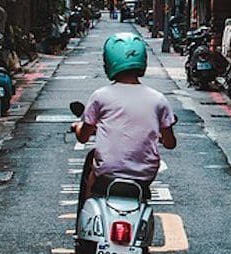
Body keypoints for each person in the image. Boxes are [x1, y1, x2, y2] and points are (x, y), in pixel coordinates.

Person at [72, 33, 177, 210]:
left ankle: (87, 216)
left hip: (108, 173)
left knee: (92, 172)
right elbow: (170, 143)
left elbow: (83, 137)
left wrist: (77, 127)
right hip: (144, 175)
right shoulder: (159, 100)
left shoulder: (100, 97)